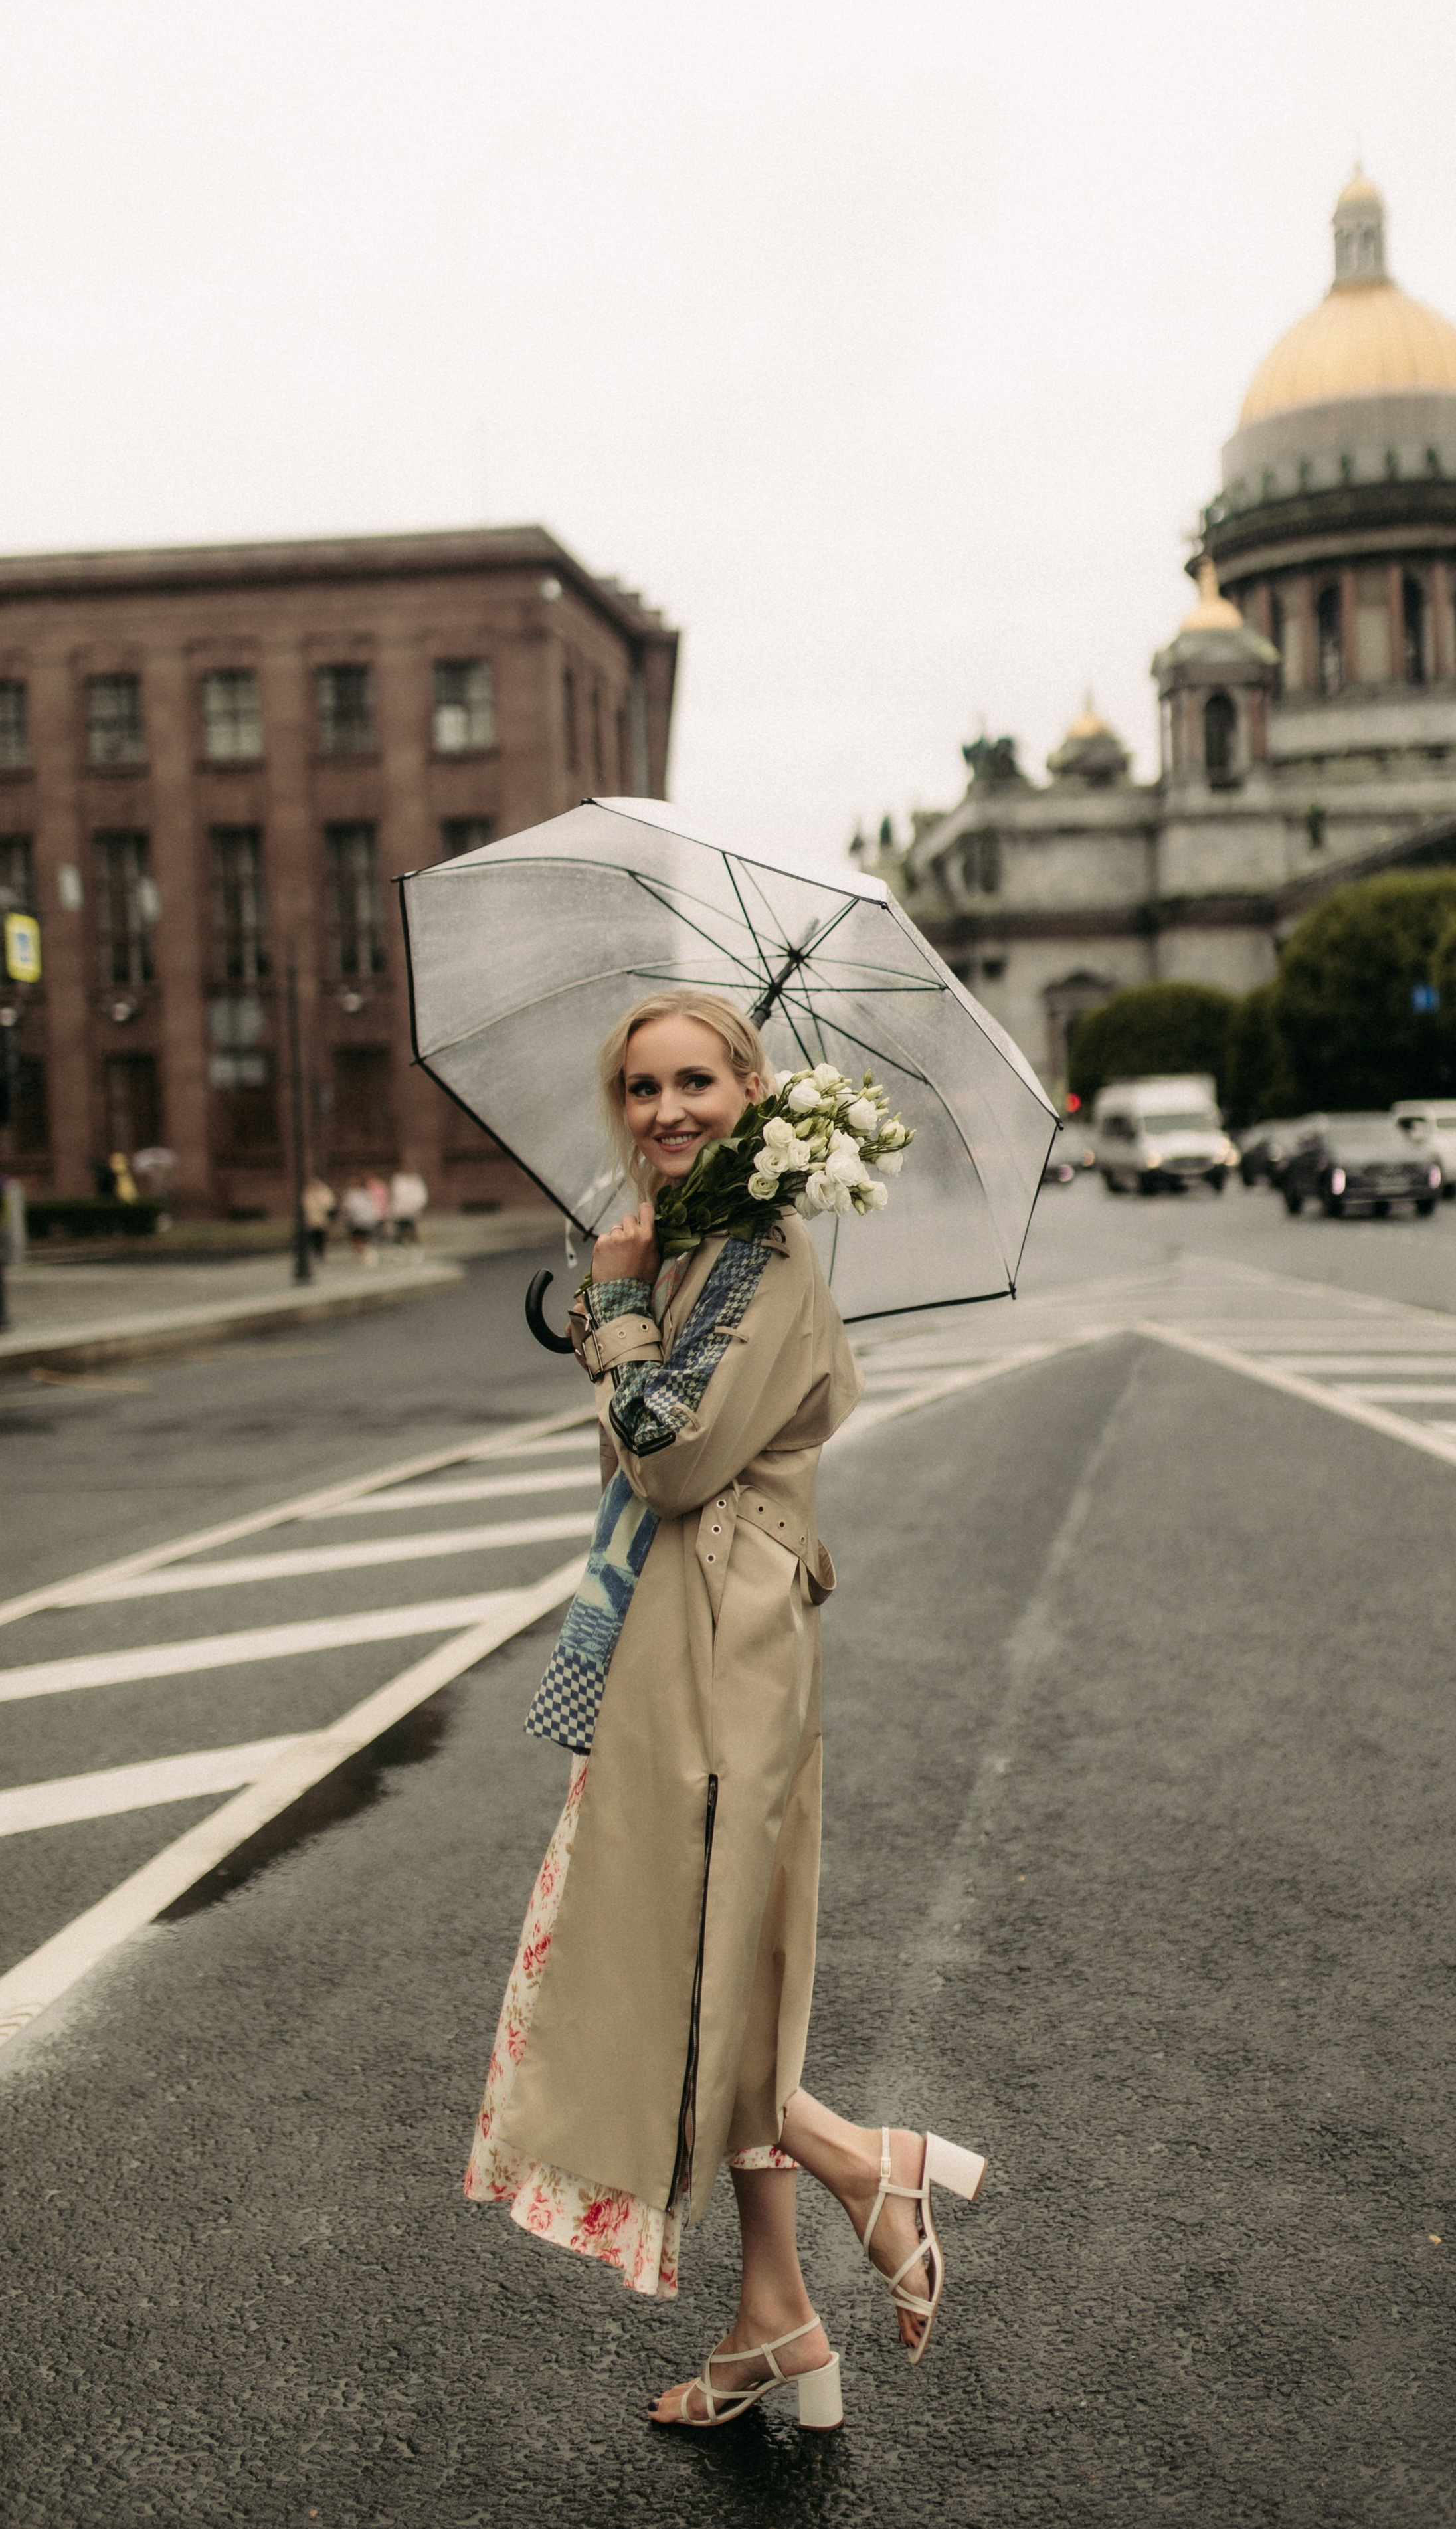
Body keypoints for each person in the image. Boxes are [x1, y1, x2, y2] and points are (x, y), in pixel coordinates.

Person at [464, 988, 986, 2432]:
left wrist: (621, 1308)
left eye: (696, 1080)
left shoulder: (752, 1254)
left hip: (718, 1632)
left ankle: (857, 2161)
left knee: (684, 1969)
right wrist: (630, 1293)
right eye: (639, 1089)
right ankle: (774, 2316)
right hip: (692, 1626)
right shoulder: (707, 1243)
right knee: (725, 1966)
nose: (665, 1109)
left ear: (754, 1091)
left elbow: (673, 1459)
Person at [340, 1176, 379, 1265]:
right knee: (358, 1240)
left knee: (361, 1239)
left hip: (362, 1221)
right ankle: (361, 1255)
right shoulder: (355, 1194)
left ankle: (366, 1255)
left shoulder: (361, 1194)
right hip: (358, 1221)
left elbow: (352, 1207)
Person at [387, 1166, 427, 1247]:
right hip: (400, 1212)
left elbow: (420, 1196)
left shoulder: (415, 1181)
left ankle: (412, 1241)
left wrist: (415, 1206)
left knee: (410, 1225)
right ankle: (403, 1241)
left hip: (412, 1211)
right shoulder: (398, 1181)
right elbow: (394, 1195)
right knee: (402, 1226)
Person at [301, 1176, 336, 1262]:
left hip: (322, 1219)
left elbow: (329, 1204)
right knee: (313, 1237)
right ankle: (315, 1253)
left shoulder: (324, 1192)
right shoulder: (308, 1193)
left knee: (321, 1236)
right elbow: (306, 1205)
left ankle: (321, 1253)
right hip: (312, 1220)